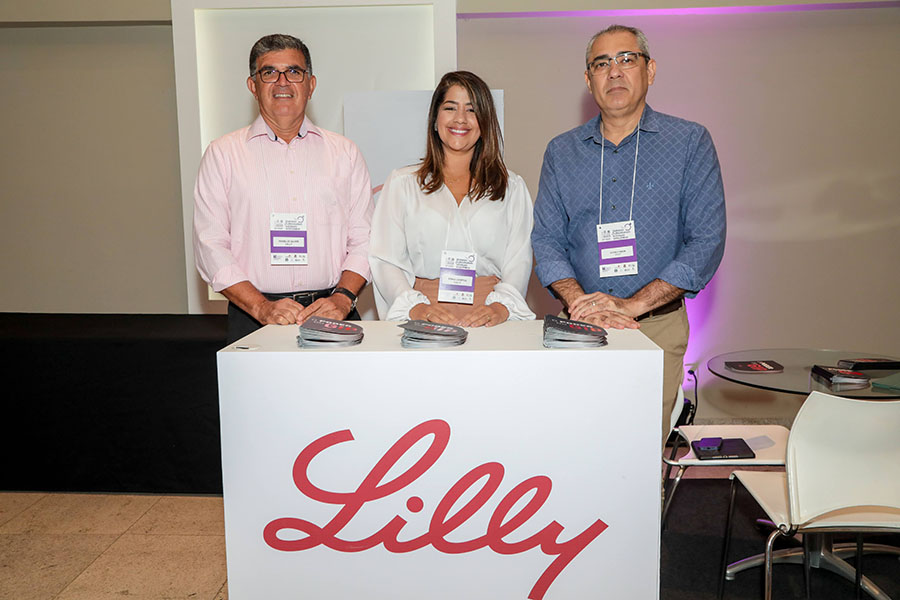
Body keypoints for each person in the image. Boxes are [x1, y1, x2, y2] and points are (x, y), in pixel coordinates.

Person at [531, 25, 726, 444]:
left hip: (656, 328)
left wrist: (633, 305)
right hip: (580, 327)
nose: (614, 71)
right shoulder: (561, 152)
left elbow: (706, 241)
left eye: (626, 59)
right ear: (589, 80)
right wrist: (580, 303)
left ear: (650, 70)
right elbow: (547, 240)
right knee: (574, 444)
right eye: (601, 63)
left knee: (640, 453)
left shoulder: (689, 142)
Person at [193, 34, 373, 343]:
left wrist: (343, 298)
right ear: (253, 86)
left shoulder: (345, 153)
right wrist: (260, 307)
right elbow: (210, 245)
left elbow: (365, 239)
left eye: (293, 71)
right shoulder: (222, 154)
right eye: (269, 72)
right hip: (253, 317)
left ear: (311, 84)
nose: (282, 82)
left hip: (334, 311)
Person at [369, 71, 535, 326]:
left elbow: (519, 260)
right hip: (423, 316)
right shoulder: (403, 184)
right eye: (450, 108)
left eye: (471, 110)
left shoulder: (511, 187)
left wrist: (501, 307)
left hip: (490, 318)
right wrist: (415, 308)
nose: (460, 118)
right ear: (435, 119)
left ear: (485, 122)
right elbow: (385, 259)